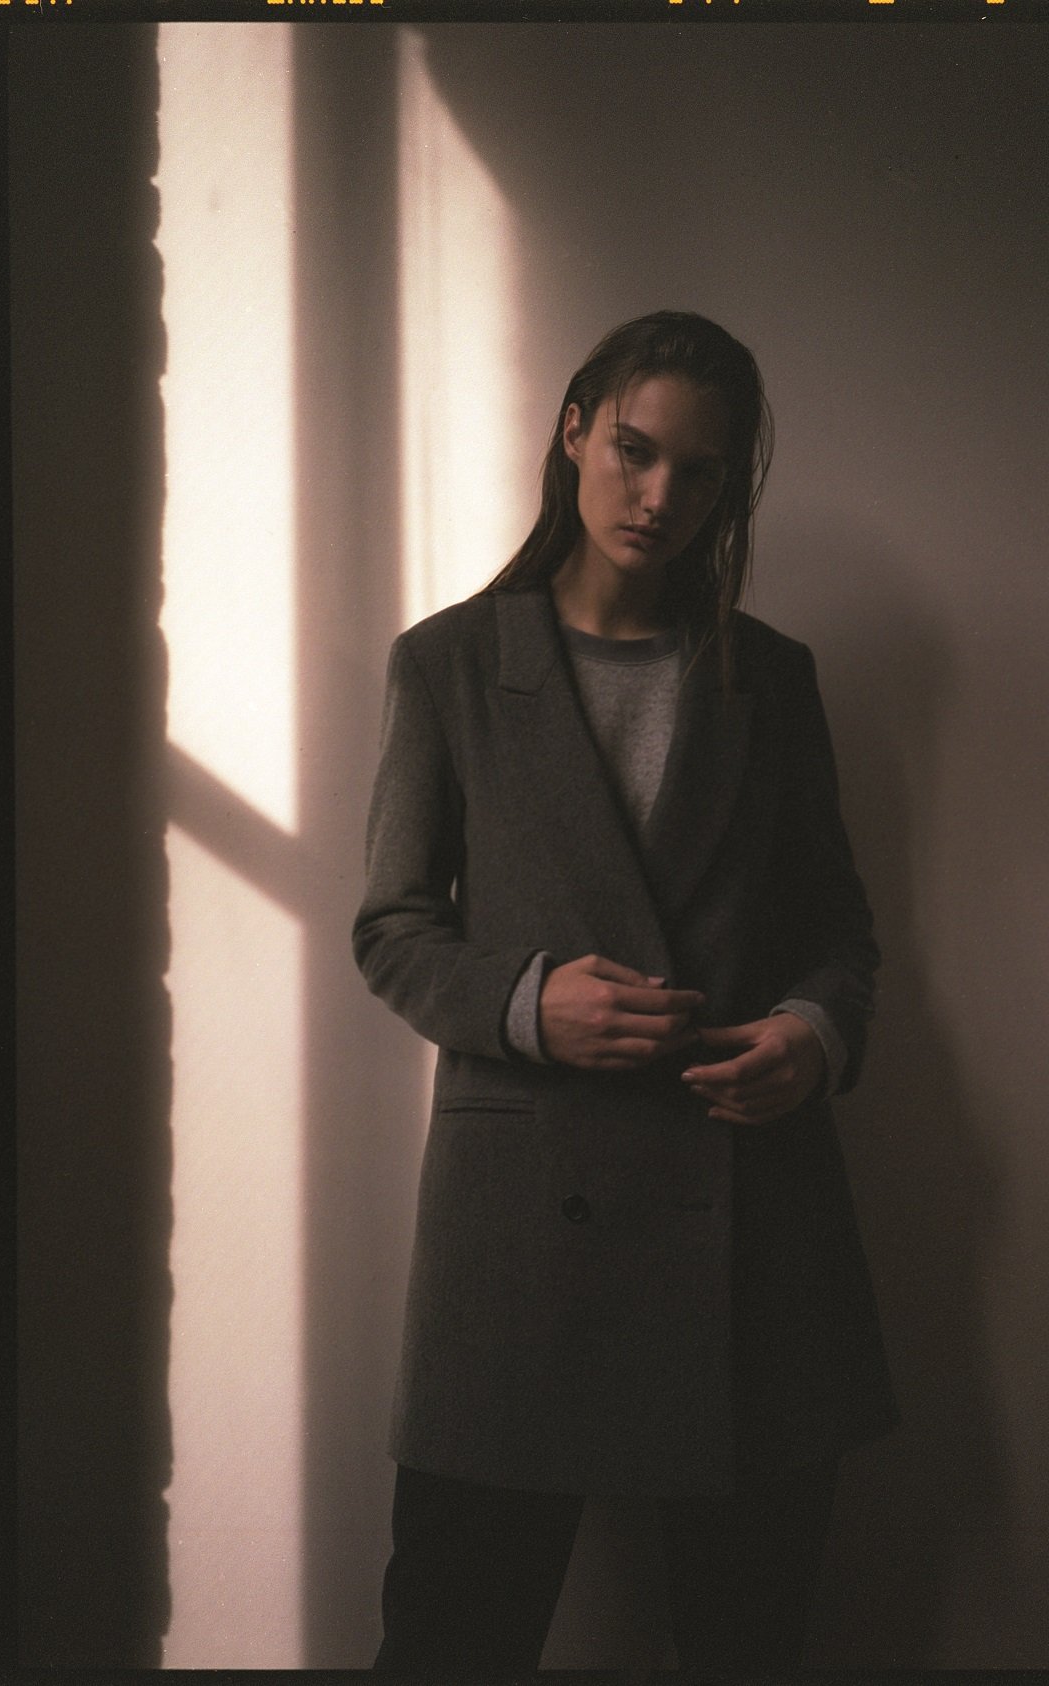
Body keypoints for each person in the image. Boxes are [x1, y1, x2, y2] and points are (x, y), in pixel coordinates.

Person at [353, 310, 896, 1677]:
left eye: (699, 472)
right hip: (522, 1230)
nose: (659, 496)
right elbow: (394, 930)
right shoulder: (449, 664)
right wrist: (530, 1005)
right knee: (450, 1635)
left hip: (750, 1212)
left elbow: (836, 924)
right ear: (574, 430)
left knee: (747, 1639)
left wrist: (814, 1033)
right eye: (635, 451)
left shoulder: (773, 677)